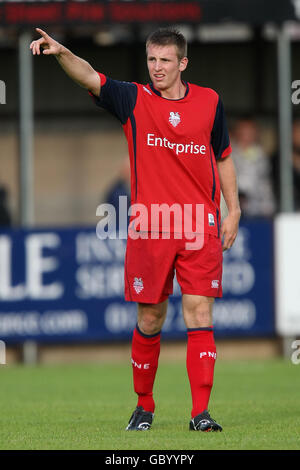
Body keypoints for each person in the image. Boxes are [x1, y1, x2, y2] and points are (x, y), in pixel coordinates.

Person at [30, 27, 241, 432]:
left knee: (199, 312)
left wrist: (233, 211)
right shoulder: (134, 99)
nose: (157, 68)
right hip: (151, 229)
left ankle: (201, 414)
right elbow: (90, 75)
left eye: (165, 60)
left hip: (200, 227)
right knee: (150, 318)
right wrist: (61, 53)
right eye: (151, 60)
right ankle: (144, 407)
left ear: (182, 63)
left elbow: (224, 157)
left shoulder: (211, 101)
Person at [230, 117, 275, 217]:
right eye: (244, 131)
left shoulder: (261, 155)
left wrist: (268, 209)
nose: (247, 135)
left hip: (260, 209)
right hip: (232, 209)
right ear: (237, 132)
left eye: (250, 131)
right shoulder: (228, 154)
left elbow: (265, 183)